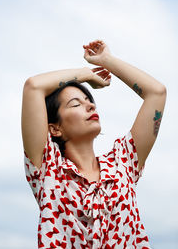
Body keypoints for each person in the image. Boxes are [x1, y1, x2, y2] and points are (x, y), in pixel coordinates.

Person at [21, 40, 166, 248]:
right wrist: (86, 74)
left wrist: (107, 61)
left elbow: (157, 92)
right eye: (76, 104)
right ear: (54, 129)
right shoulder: (48, 169)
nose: (89, 105)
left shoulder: (123, 163)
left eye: (90, 101)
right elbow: (33, 87)